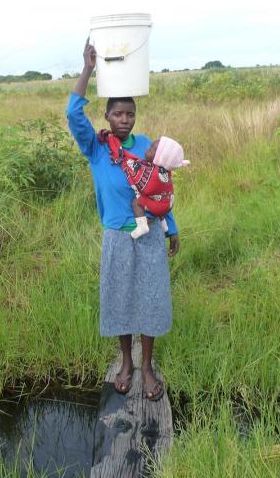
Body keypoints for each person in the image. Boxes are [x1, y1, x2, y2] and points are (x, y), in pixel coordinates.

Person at [66, 38, 180, 401]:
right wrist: (88, 68)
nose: (124, 120)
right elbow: (72, 114)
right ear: (107, 117)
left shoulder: (145, 144)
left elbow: (159, 188)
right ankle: (126, 362)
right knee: (119, 300)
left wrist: (171, 228)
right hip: (117, 236)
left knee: (149, 299)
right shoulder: (97, 148)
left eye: (130, 114)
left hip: (148, 237)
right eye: (118, 114)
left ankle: (146, 367)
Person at [98, 131, 189, 239]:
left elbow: (144, 186)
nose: (147, 149)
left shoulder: (153, 173)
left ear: (159, 159)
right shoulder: (165, 171)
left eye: (151, 149)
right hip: (166, 204)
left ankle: (142, 225)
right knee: (156, 201)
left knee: (136, 202)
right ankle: (164, 225)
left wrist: (127, 165)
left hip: (158, 207)